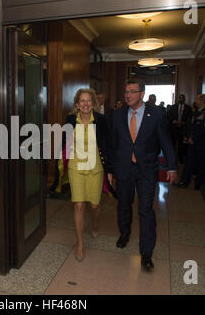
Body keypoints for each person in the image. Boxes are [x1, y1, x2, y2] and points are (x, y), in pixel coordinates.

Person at [108, 78, 177, 271]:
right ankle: (124, 233)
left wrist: (172, 166)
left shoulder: (155, 114)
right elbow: (113, 144)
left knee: (146, 210)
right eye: (126, 91)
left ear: (142, 94)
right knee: (123, 204)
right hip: (123, 168)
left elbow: (165, 141)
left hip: (146, 169)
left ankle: (147, 253)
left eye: (132, 91)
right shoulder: (117, 115)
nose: (128, 95)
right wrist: (110, 170)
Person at [65, 89, 114, 262]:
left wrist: (109, 171)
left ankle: (94, 222)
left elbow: (108, 146)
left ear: (93, 103)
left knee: (94, 205)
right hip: (76, 167)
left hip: (95, 168)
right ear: (77, 105)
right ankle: (80, 244)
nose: (85, 104)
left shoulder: (101, 121)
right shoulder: (70, 120)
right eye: (82, 101)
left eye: (88, 101)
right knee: (79, 205)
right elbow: (66, 143)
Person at [176, 94, 205, 190]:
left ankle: (198, 184)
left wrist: (194, 139)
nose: (195, 101)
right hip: (192, 142)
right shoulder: (196, 112)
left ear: (202, 100)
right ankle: (184, 181)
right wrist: (188, 137)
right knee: (189, 162)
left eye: (197, 99)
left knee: (201, 164)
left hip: (201, 144)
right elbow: (191, 126)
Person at [167, 94, 193, 164]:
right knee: (173, 144)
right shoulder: (173, 107)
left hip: (183, 129)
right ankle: (172, 159)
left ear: (184, 99)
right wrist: (174, 121)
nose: (181, 99)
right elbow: (168, 116)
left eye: (182, 98)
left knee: (182, 145)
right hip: (174, 129)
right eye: (180, 98)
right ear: (178, 99)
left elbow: (190, 118)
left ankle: (181, 159)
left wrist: (183, 123)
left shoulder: (188, 108)